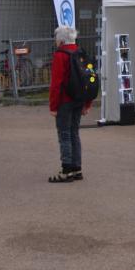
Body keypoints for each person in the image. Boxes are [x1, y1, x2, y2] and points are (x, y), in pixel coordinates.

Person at [48, 25, 91, 183]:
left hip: (65, 101)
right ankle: (77, 168)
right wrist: (88, 103)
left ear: (60, 40)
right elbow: (89, 79)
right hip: (79, 99)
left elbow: (56, 84)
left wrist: (53, 106)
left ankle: (66, 170)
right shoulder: (80, 52)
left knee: (64, 134)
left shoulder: (60, 55)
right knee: (74, 133)